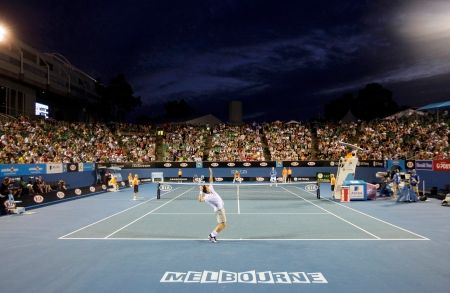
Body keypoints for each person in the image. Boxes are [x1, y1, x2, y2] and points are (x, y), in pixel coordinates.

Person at [198, 167, 226, 243]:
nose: (208, 185)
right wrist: (200, 191)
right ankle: (211, 235)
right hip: (219, 210)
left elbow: (210, 179)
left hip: (220, 209)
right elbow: (200, 200)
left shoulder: (211, 188)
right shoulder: (207, 197)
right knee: (223, 224)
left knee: (221, 224)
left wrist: (210, 172)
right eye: (206, 186)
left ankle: (213, 236)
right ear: (206, 190)